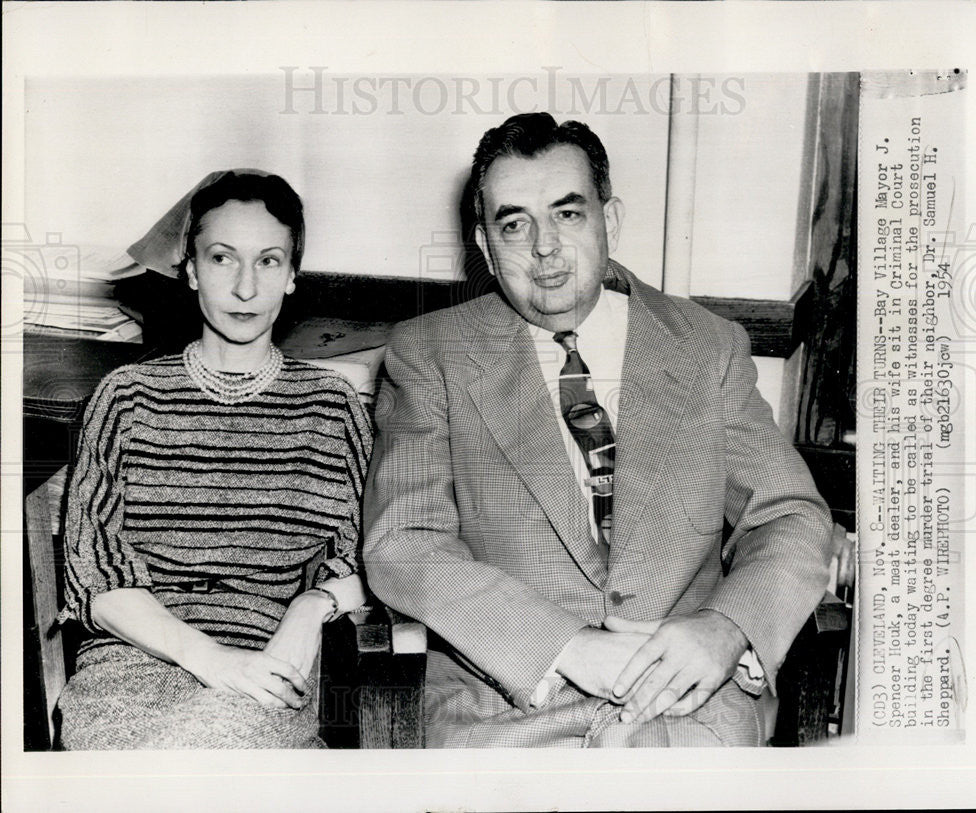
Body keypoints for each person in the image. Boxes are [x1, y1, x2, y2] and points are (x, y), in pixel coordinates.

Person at [363, 113, 834, 747]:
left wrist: (726, 628)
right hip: (506, 714)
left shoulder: (706, 347)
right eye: (514, 224)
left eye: (568, 214)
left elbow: (792, 516)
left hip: (688, 709)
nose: (544, 248)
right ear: (483, 243)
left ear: (609, 219)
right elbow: (403, 543)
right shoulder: (429, 353)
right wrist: (566, 647)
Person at [56, 170, 373, 749]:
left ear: (293, 275)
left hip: (267, 664)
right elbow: (95, 574)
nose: (247, 288)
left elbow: (376, 560)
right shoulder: (127, 396)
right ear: (192, 269)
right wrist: (209, 658)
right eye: (223, 258)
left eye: (269, 261)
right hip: (129, 668)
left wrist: (310, 607)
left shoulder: (331, 408)